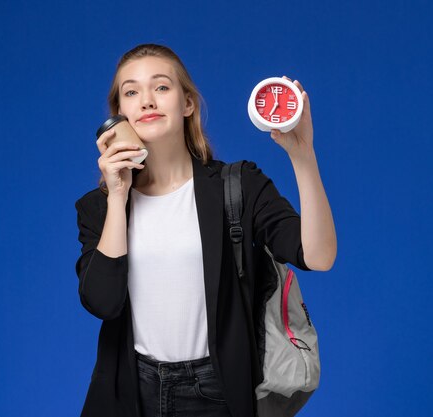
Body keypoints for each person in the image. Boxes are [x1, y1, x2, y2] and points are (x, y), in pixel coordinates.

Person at [74, 43, 337, 417]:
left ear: (187, 104)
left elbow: (319, 255)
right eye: (131, 92)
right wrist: (118, 195)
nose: (146, 100)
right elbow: (102, 301)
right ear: (120, 116)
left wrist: (303, 155)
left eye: (161, 87)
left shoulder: (239, 185)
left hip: (217, 390)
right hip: (132, 390)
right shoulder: (98, 207)